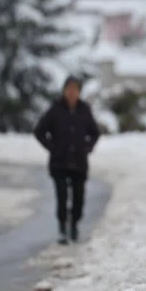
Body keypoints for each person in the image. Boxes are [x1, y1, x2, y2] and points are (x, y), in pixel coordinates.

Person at [33, 75, 102, 244]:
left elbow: (95, 132)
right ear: (64, 91)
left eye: (75, 90)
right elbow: (39, 131)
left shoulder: (84, 109)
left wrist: (88, 147)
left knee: (78, 197)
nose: (72, 93)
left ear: (79, 92)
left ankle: (74, 223)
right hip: (59, 163)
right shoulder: (55, 109)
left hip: (79, 162)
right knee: (62, 197)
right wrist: (52, 147)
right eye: (69, 89)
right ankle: (62, 228)